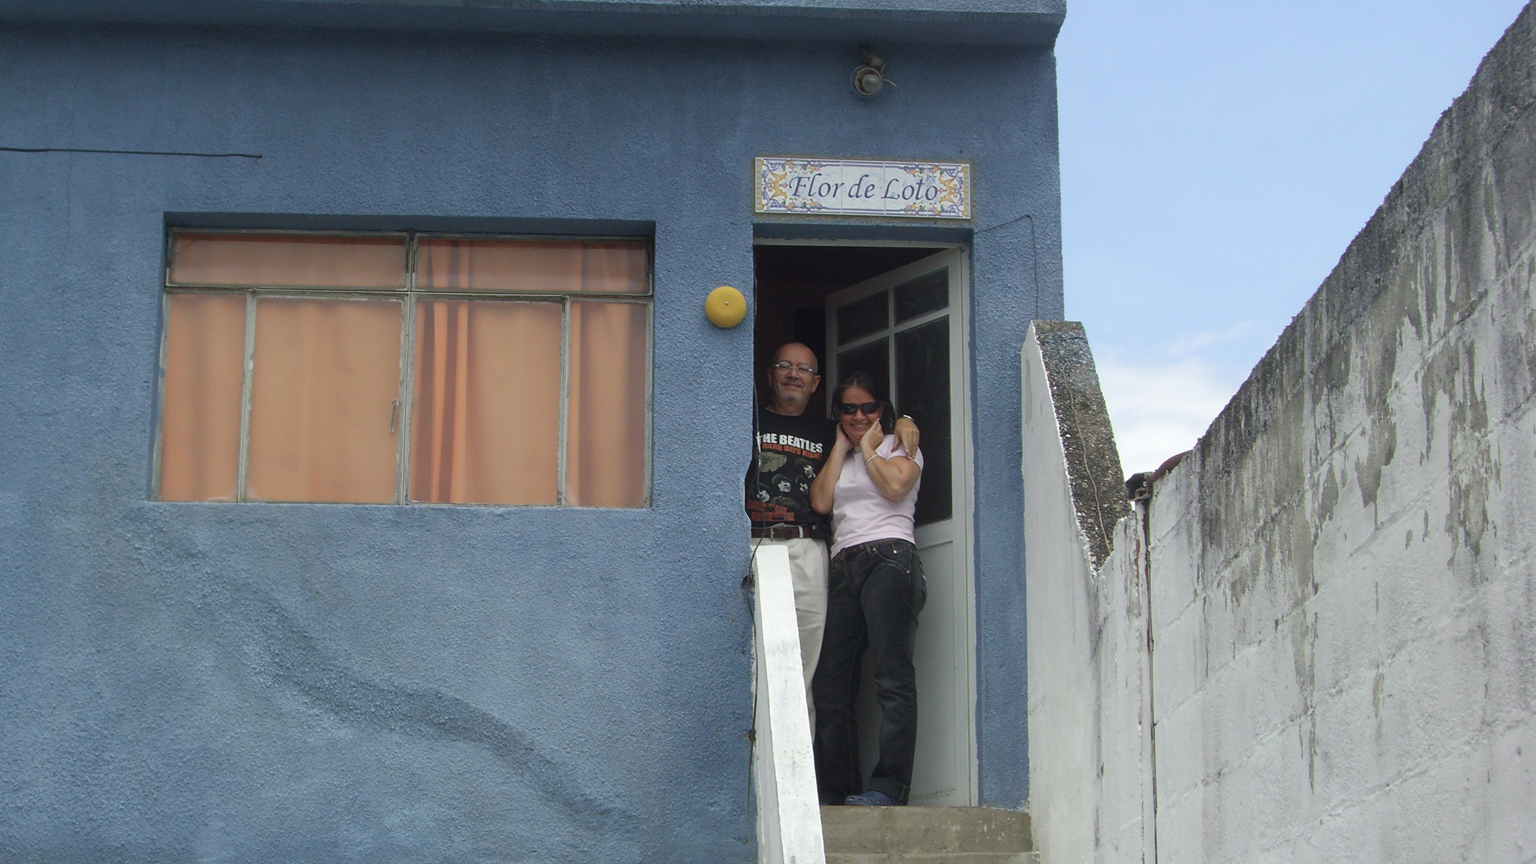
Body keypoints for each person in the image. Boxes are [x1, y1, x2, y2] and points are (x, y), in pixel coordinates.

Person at [748, 344, 917, 729]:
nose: (794, 374)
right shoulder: (749, 421)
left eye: (803, 369)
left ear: (815, 383)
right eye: (785, 366)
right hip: (753, 543)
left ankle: (804, 776)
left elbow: (875, 432)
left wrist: (904, 418)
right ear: (770, 374)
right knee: (755, 660)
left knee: (805, 668)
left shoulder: (832, 432)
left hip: (809, 546)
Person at [808, 370, 926, 807]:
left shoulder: (902, 445)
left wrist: (869, 447)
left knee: (892, 678)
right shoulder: (845, 453)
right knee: (830, 687)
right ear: (837, 413)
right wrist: (843, 446)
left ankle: (889, 787)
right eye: (848, 409)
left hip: (890, 560)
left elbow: (896, 487)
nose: (859, 415)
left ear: (883, 409)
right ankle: (839, 790)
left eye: (868, 407)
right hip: (842, 566)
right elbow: (821, 502)